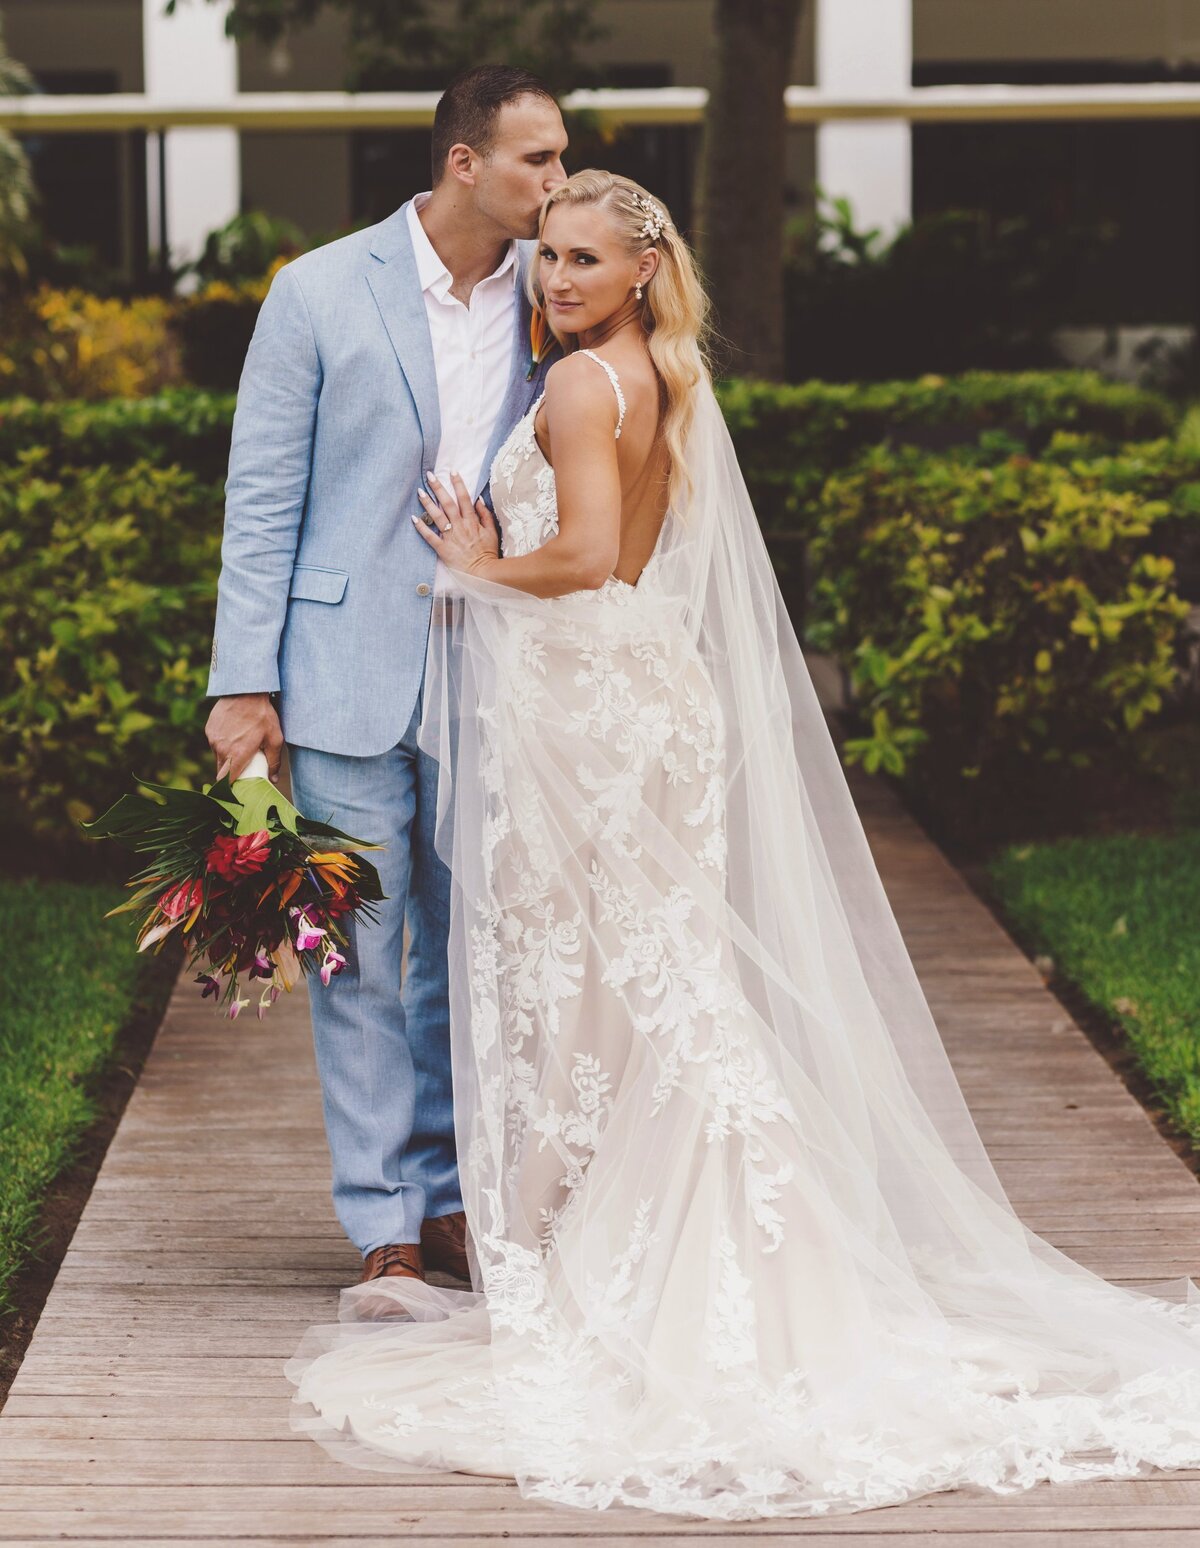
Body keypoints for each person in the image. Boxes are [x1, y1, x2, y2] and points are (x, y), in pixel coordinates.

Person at [285, 170, 1200, 1520]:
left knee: (593, 985)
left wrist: (478, 564)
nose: (557, 281)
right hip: (645, 696)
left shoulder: (582, 389)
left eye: (585, 260)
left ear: (645, 267)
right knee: (658, 982)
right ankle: (681, 1244)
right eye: (547, 258)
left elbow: (591, 554)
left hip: (587, 711)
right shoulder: (668, 371)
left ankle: (622, 1261)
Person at [204, 66, 568, 1298]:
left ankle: (461, 1197)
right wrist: (243, 684)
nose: (557, 184)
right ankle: (386, 1220)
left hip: (499, 671)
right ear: (465, 162)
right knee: (358, 949)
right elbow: (263, 499)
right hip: (345, 668)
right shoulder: (315, 293)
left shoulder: (554, 295)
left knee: (475, 951)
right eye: (538, 161)